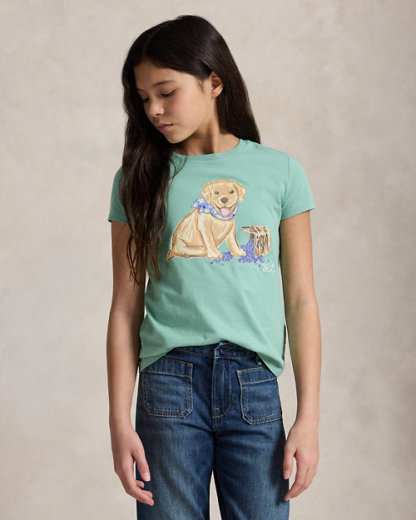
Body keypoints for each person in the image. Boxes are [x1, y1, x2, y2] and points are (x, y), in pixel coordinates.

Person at [106, 14, 321, 520]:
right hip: (168, 383)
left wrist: (308, 416)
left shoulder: (279, 173)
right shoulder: (139, 178)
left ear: (214, 82)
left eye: (166, 92)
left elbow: (300, 300)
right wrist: (119, 420)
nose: (154, 110)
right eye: (143, 98)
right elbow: (125, 308)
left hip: (254, 385)